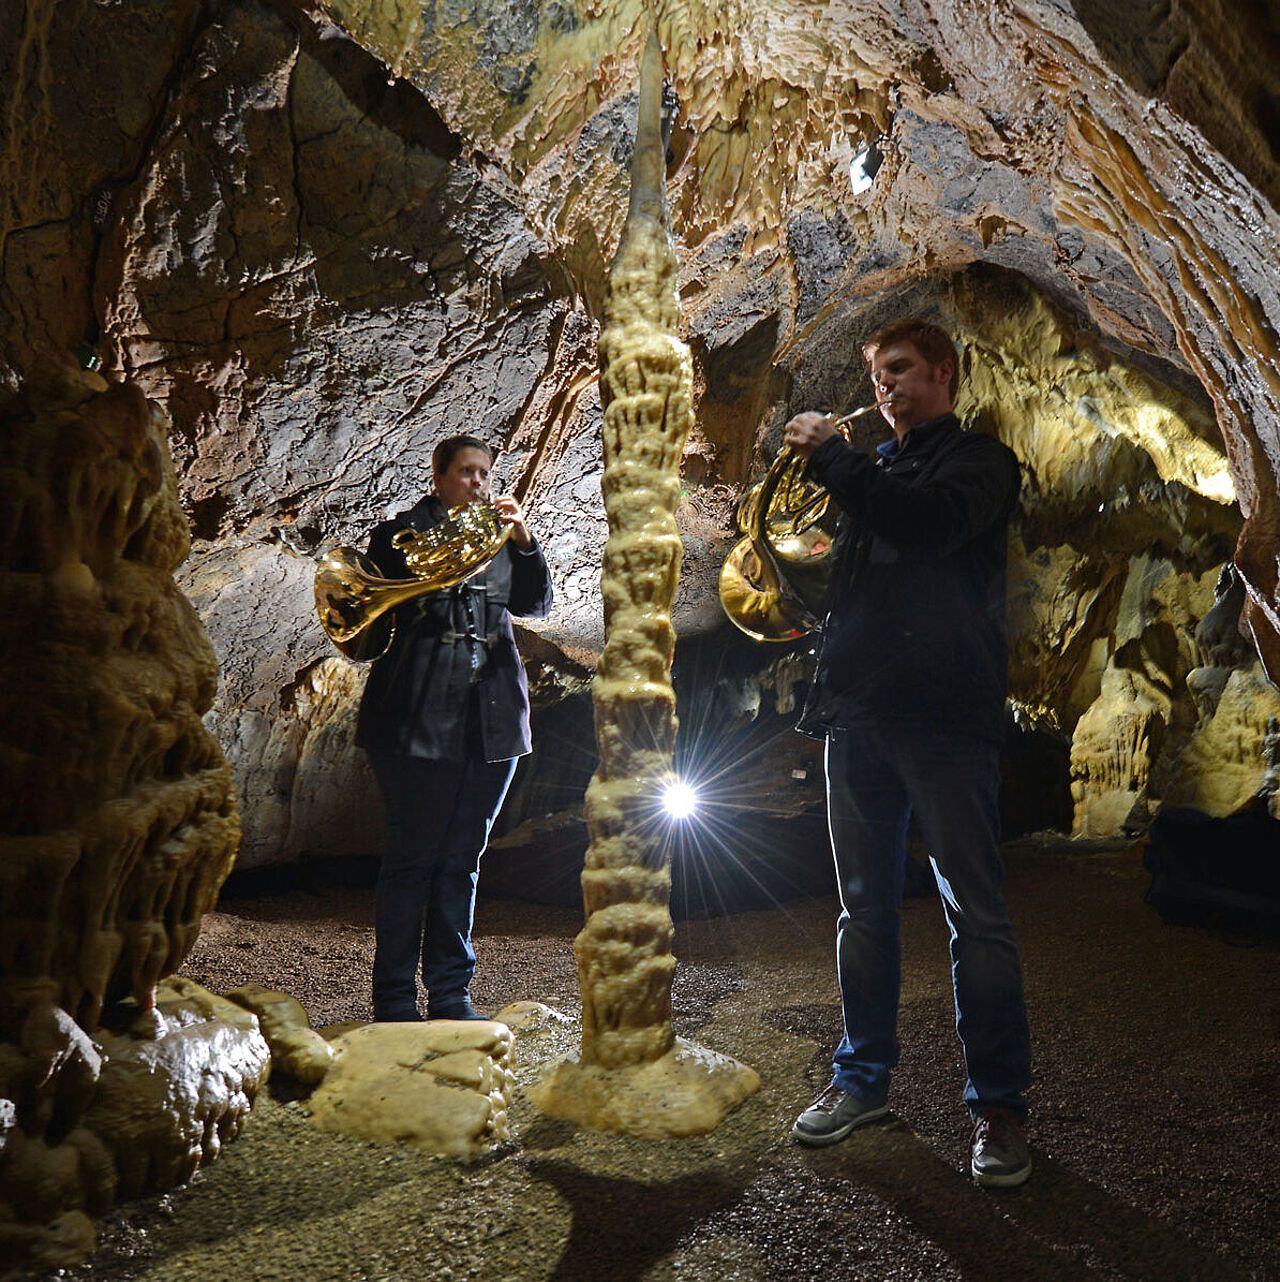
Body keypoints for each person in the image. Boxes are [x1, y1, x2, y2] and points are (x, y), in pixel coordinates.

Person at [782, 319, 1033, 1187]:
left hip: (945, 721)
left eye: (900, 370)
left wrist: (833, 461)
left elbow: (927, 528)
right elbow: (843, 583)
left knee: (977, 918)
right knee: (863, 915)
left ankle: (999, 1109)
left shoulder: (982, 464)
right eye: (877, 374)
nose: (885, 385)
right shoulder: (875, 471)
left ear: (943, 373)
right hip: (858, 718)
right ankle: (862, 1082)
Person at [354, 434, 553, 1022]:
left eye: (485, 475)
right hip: (416, 719)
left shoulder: (499, 541)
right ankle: (392, 997)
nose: (479, 484)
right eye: (467, 472)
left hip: (490, 721)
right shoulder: (399, 536)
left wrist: (523, 541)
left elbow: (536, 603)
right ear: (439, 477)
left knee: (463, 858)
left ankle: (450, 994)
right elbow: (368, 626)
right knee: (412, 858)